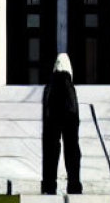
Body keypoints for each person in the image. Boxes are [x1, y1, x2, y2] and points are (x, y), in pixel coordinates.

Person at [42, 53, 82, 195]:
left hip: (52, 118)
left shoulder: (50, 85)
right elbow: (73, 106)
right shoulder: (68, 84)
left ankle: (49, 186)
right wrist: (76, 122)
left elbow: (46, 106)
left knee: (51, 151)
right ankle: (74, 185)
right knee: (72, 150)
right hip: (69, 117)